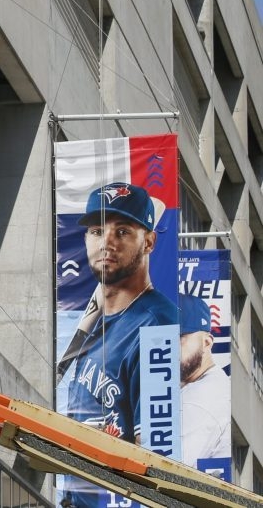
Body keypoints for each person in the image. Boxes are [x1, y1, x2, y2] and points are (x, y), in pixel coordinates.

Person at [59, 182, 178, 508]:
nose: (107, 242)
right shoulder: (93, 325)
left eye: (123, 231)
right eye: (97, 231)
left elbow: (155, 452)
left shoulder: (155, 325)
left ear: (149, 242)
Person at [178, 293, 231, 468]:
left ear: (206, 343)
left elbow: (166, 468)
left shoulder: (201, 400)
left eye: (179, 339)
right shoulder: (199, 384)